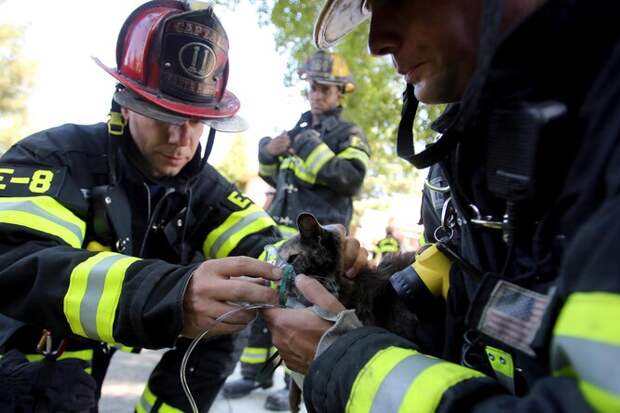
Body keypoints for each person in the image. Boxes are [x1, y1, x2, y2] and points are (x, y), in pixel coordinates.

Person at [264, 0, 620, 412]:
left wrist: (349, 364)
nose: (377, 41)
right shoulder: (467, 148)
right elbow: (473, 288)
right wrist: (367, 291)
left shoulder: (601, 130)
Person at [0, 2, 284, 411]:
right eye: (163, 114)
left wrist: (318, 256)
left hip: (85, 351)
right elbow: (18, 261)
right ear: (126, 103)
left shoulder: (201, 187)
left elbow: (264, 243)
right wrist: (170, 296)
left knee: (226, 323)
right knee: (57, 390)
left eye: (194, 120)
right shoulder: (57, 158)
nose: (180, 138)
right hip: (24, 348)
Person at [223, 50, 370, 410]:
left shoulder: (347, 133)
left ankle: (297, 382)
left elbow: (350, 179)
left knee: (308, 313)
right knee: (265, 302)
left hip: (318, 250)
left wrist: (305, 144)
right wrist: (268, 153)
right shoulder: (299, 127)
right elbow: (275, 178)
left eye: (324, 88)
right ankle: (253, 373)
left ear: (340, 93)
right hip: (281, 240)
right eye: (312, 88)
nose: (316, 94)